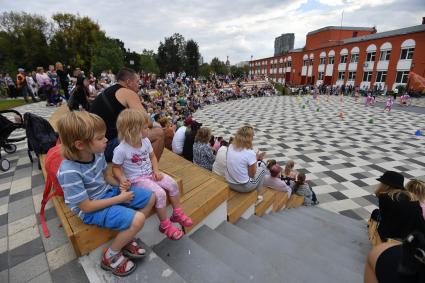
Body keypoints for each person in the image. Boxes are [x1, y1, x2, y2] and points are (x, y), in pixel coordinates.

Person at [56, 111, 155, 277]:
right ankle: (110, 256)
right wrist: (119, 198)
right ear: (80, 145)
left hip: (108, 193)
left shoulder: (97, 153)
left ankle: (126, 237)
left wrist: (120, 184)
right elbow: (86, 207)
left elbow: (106, 176)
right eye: (100, 138)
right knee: (138, 219)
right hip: (92, 208)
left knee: (150, 197)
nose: (106, 140)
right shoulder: (69, 171)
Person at [112, 109, 192, 240]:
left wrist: (156, 170)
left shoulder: (146, 141)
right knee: (159, 193)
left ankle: (177, 213)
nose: (148, 130)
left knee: (172, 184)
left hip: (150, 174)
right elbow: (115, 168)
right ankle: (165, 225)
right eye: (145, 128)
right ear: (132, 131)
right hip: (136, 180)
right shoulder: (121, 150)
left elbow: (153, 157)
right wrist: (122, 179)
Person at [90, 68, 164, 162]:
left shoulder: (109, 91)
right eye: (137, 82)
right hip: (106, 147)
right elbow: (148, 122)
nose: (139, 85)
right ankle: (148, 171)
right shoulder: (127, 93)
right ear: (128, 82)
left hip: (93, 146)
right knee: (159, 133)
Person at [374, 171, 425, 241]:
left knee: (376, 213)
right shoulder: (412, 197)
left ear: (386, 185)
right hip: (413, 235)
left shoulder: (384, 197)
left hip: (394, 236)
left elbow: (386, 220)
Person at [225, 125, 266, 202]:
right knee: (263, 169)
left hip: (229, 182)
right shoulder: (250, 153)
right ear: (249, 138)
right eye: (252, 136)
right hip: (243, 187)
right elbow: (251, 175)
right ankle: (258, 196)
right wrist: (256, 161)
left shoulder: (230, 146)